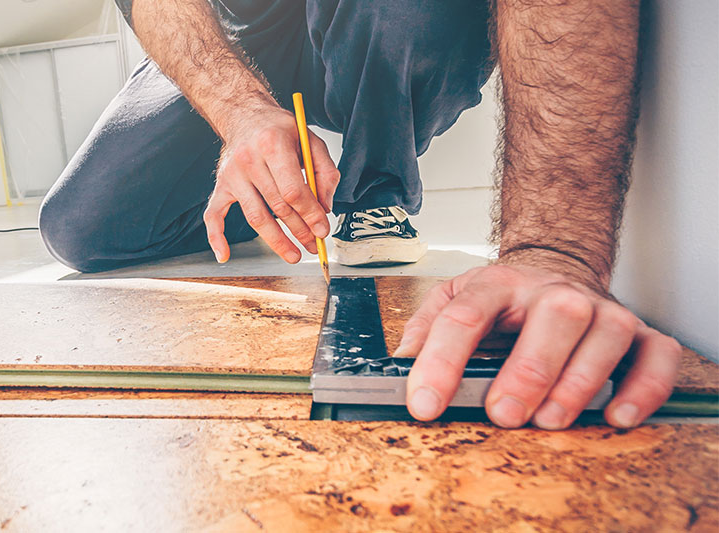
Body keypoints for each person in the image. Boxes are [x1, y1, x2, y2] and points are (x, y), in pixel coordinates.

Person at [38, 0, 682, 429]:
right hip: (243, 31)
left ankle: (375, 190)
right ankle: (270, 187)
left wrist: (554, 252)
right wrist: (239, 113)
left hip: (397, 17)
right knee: (83, 228)